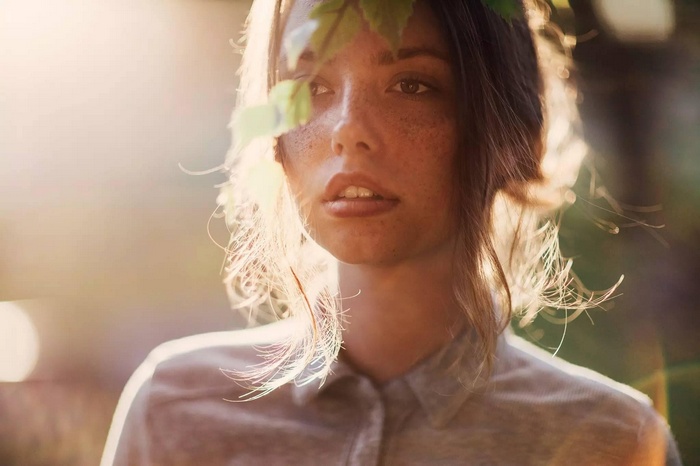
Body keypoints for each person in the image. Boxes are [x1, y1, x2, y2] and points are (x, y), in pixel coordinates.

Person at [101, 0, 682, 464]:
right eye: (312, 87)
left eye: (412, 84)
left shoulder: (608, 440)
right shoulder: (175, 410)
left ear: (512, 134)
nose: (348, 129)